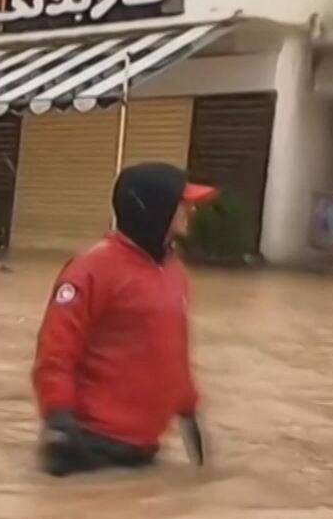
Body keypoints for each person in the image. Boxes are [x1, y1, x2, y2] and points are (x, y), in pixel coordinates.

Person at [32, 162, 217, 478]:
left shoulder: (174, 273)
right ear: (154, 209)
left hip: (144, 452)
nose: (190, 211)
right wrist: (58, 418)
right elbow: (56, 350)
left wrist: (189, 411)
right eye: (181, 204)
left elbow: (172, 351)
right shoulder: (91, 270)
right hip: (90, 448)